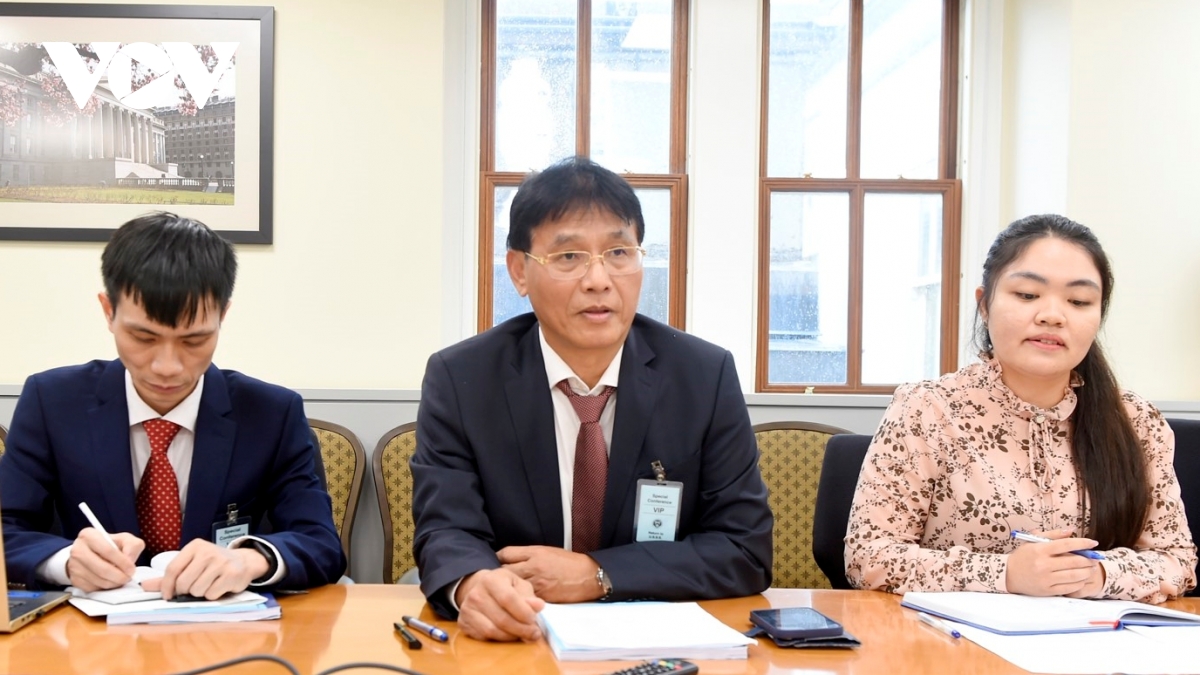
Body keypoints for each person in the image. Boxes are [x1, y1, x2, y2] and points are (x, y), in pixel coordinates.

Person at [411, 156, 773, 641]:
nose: (599, 279)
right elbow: (446, 530)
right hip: (519, 636)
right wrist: (474, 584)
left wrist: (596, 574)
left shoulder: (703, 376)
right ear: (519, 270)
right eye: (569, 257)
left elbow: (744, 550)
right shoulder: (462, 379)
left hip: (658, 642)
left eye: (619, 252)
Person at [845, 214, 1196, 603]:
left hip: (1095, 635)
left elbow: (1177, 560)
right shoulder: (926, 409)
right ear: (984, 304)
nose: (1052, 315)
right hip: (949, 637)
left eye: (1079, 301)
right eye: (1027, 295)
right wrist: (1007, 573)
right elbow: (869, 556)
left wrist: (1094, 575)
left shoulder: (1136, 420)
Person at [0, 212, 345, 599]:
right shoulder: (52, 402)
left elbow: (320, 544)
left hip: (223, 624)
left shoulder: (271, 414)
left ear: (222, 316)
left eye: (193, 341)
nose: (167, 367)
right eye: (143, 338)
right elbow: (7, 528)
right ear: (108, 311)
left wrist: (251, 559)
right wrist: (64, 560)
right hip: (87, 629)